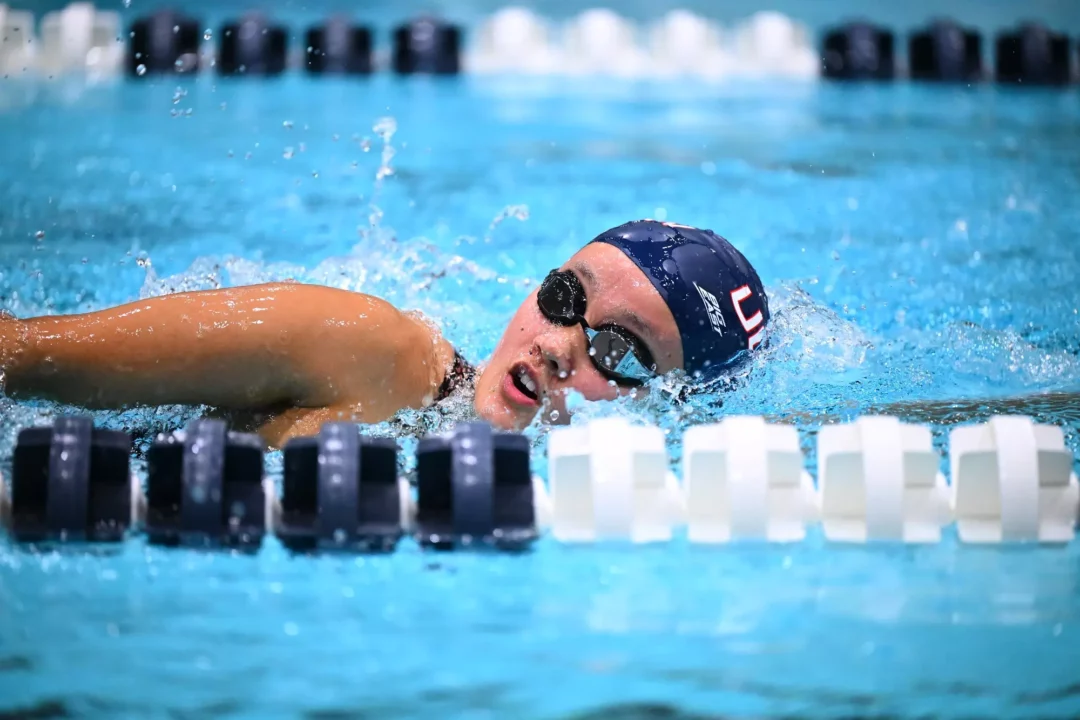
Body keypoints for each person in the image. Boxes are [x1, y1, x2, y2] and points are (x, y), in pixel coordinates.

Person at [0, 219, 770, 447]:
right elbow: (22, 356)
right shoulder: (370, 350)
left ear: (672, 408)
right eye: (565, 295)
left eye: (621, 350)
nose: (559, 342)